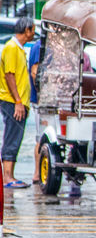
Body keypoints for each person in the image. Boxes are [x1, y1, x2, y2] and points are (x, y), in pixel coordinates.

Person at [0, 18, 35, 189]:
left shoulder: (19, 49)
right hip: (12, 101)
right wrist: (18, 101)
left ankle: (9, 175)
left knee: (16, 136)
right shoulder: (12, 48)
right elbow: (9, 75)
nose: (34, 33)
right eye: (33, 29)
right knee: (12, 137)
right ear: (27, 30)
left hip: (18, 102)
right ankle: (7, 177)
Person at [28, 35, 42, 185]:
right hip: (41, 99)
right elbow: (34, 72)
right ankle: (37, 173)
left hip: (42, 98)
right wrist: (41, 94)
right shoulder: (40, 46)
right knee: (41, 136)